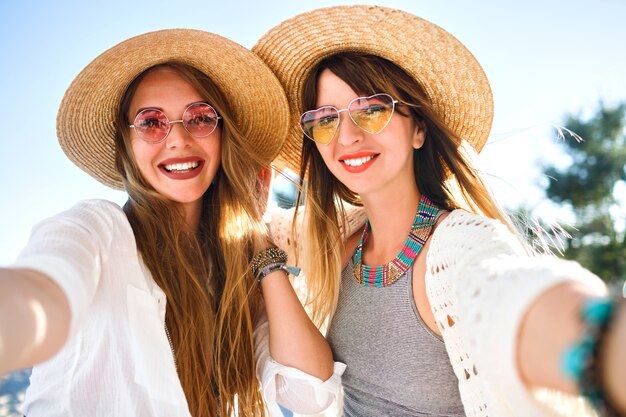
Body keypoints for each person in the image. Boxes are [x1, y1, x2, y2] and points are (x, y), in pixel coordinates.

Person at [253, 6, 626, 417]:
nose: (347, 135)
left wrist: (601, 338)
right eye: (325, 120)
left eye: (372, 110)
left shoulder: (457, 246)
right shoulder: (341, 239)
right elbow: (258, 229)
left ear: (418, 128)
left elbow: (509, 297)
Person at [0, 29, 340, 417]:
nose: (177, 139)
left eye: (199, 117)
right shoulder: (98, 230)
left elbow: (311, 392)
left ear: (222, 135)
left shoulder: (235, 278)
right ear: (128, 144)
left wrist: (257, 239)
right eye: (151, 122)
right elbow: (43, 294)